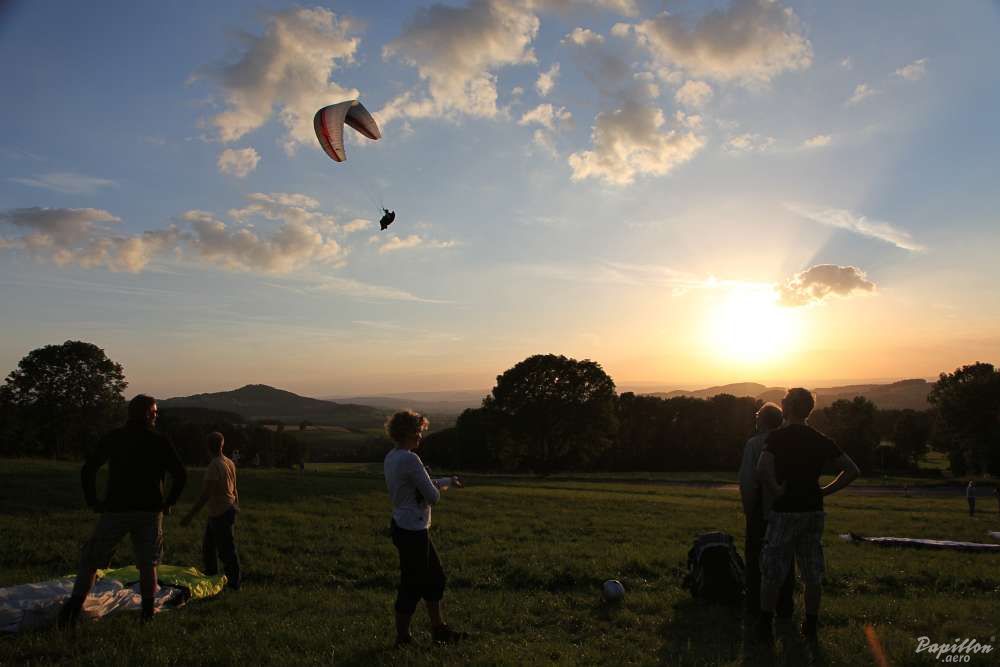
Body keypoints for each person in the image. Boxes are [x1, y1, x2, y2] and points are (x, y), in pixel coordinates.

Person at [58, 395, 186, 626]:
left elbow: (89, 469)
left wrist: (93, 500)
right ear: (147, 414)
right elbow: (180, 475)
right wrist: (168, 503)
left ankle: (73, 609)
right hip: (149, 512)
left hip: (116, 509)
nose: (156, 416)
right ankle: (147, 615)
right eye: (154, 413)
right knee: (148, 565)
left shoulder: (114, 437)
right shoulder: (159, 441)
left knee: (91, 560)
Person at [757, 388, 859, 645]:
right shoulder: (820, 439)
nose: (781, 403)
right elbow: (852, 470)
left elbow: (762, 468)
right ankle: (810, 625)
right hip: (813, 511)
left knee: (772, 571)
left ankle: (765, 625)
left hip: (784, 511)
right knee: (812, 572)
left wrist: (776, 490)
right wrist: (824, 491)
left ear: (790, 406)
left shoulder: (777, 437)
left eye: (783, 401)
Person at [383, 410, 465, 646]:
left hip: (403, 525)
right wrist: (435, 486)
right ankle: (403, 638)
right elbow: (432, 496)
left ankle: (439, 629)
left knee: (435, 578)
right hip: (413, 530)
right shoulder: (411, 459)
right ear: (408, 433)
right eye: (418, 431)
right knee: (412, 583)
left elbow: (420, 485)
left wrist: (448, 481)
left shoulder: (392, 457)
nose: (421, 436)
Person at [738, 402, 794, 618]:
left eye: (757, 416)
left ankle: (755, 605)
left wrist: (749, 511)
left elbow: (748, 481)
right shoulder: (789, 443)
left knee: (755, 559)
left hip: (762, 510)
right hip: (788, 509)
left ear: (761, 420)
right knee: (785, 558)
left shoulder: (754, 444)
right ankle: (785, 605)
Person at [181, 432, 241, 590]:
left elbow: (206, 495)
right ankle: (212, 576)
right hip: (227, 509)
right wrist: (236, 505)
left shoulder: (214, 466)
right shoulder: (229, 462)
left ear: (207, 447)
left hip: (220, 512)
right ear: (222, 444)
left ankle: (233, 583)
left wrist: (190, 515)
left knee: (225, 550)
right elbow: (234, 488)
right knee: (209, 547)